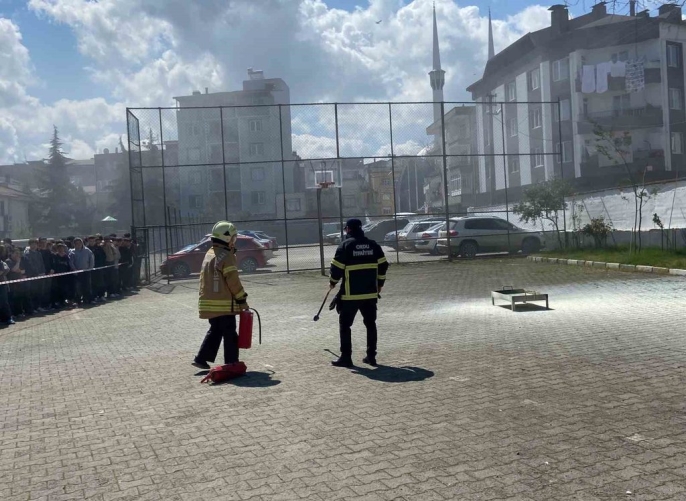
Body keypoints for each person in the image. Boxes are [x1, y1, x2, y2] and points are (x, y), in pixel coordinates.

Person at [328, 218, 389, 368]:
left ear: (348, 229)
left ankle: (346, 358)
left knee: (345, 325)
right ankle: (371, 356)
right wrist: (380, 284)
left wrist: (333, 282)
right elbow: (383, 265)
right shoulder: (373, 245)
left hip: (351, 295)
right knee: (370, 324)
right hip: (370, 294)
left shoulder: (345, 245)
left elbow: (336, 268)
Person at [193, 221, 249, 370]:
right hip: (223, 305)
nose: (234, 241)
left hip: (209, 303)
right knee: (230, 333)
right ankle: (231, 363)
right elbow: (233, 281)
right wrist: (242, 299)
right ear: (227, 238)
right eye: (233, 238)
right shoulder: (227, 256)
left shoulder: (210, 253)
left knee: (215, 331)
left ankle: (201, 358)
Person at [24, 239, 47, 313]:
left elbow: (42, 263)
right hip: (32, 276)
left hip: (41, 275)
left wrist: (43, 272)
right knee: (33, 292)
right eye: (32, 244)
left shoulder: (38, 253)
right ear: (29, 245)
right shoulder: (27, 254)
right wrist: (36, 273)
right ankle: (33, 308)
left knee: (40, 291)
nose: (34, 246)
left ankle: (38, 306)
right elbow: (30, 265)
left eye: (35, 244)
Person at [69, 238, 94, 305]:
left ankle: (87, 299)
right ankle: (78, 300)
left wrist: (90, 268)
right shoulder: (72, 252)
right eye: (76, 243)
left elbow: (91, 260)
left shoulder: (88, 251)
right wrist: (74, 270)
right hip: (77, 273)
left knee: (87, 286)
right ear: (74, 244)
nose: (78, 244)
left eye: (79, 243)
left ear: (82, 243)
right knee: (78, 287)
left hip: (86, 271)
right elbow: (71, 262)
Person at [6, 248, 30, 317]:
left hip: (19, 283)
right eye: (16, 253)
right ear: (11, 253)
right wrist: (18, 262)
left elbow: (22, 271)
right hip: (12, 283)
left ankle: (19, 312)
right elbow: (14, 269)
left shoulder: (19, 261)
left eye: (18, 253)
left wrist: (20, 271)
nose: (18, 255)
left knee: (19, 298)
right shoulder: (8, 261)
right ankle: (13, 313)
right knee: (12, 299)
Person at [50, 243, 74, 309]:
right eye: (59, 248)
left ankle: (64, 300)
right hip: (58, 275)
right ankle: (59, 301)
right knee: (59, 289)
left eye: (62, 248)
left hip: (66, 275)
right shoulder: (55, 256)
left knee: (65, 288)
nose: (61, 249)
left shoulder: (66, 256)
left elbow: (69, 265)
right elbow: (54, 265)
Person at [0, 245, 15, 325]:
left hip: (2, 284)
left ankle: (8, 318)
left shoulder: (1, 262)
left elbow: (4, 270)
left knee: (4, 302)